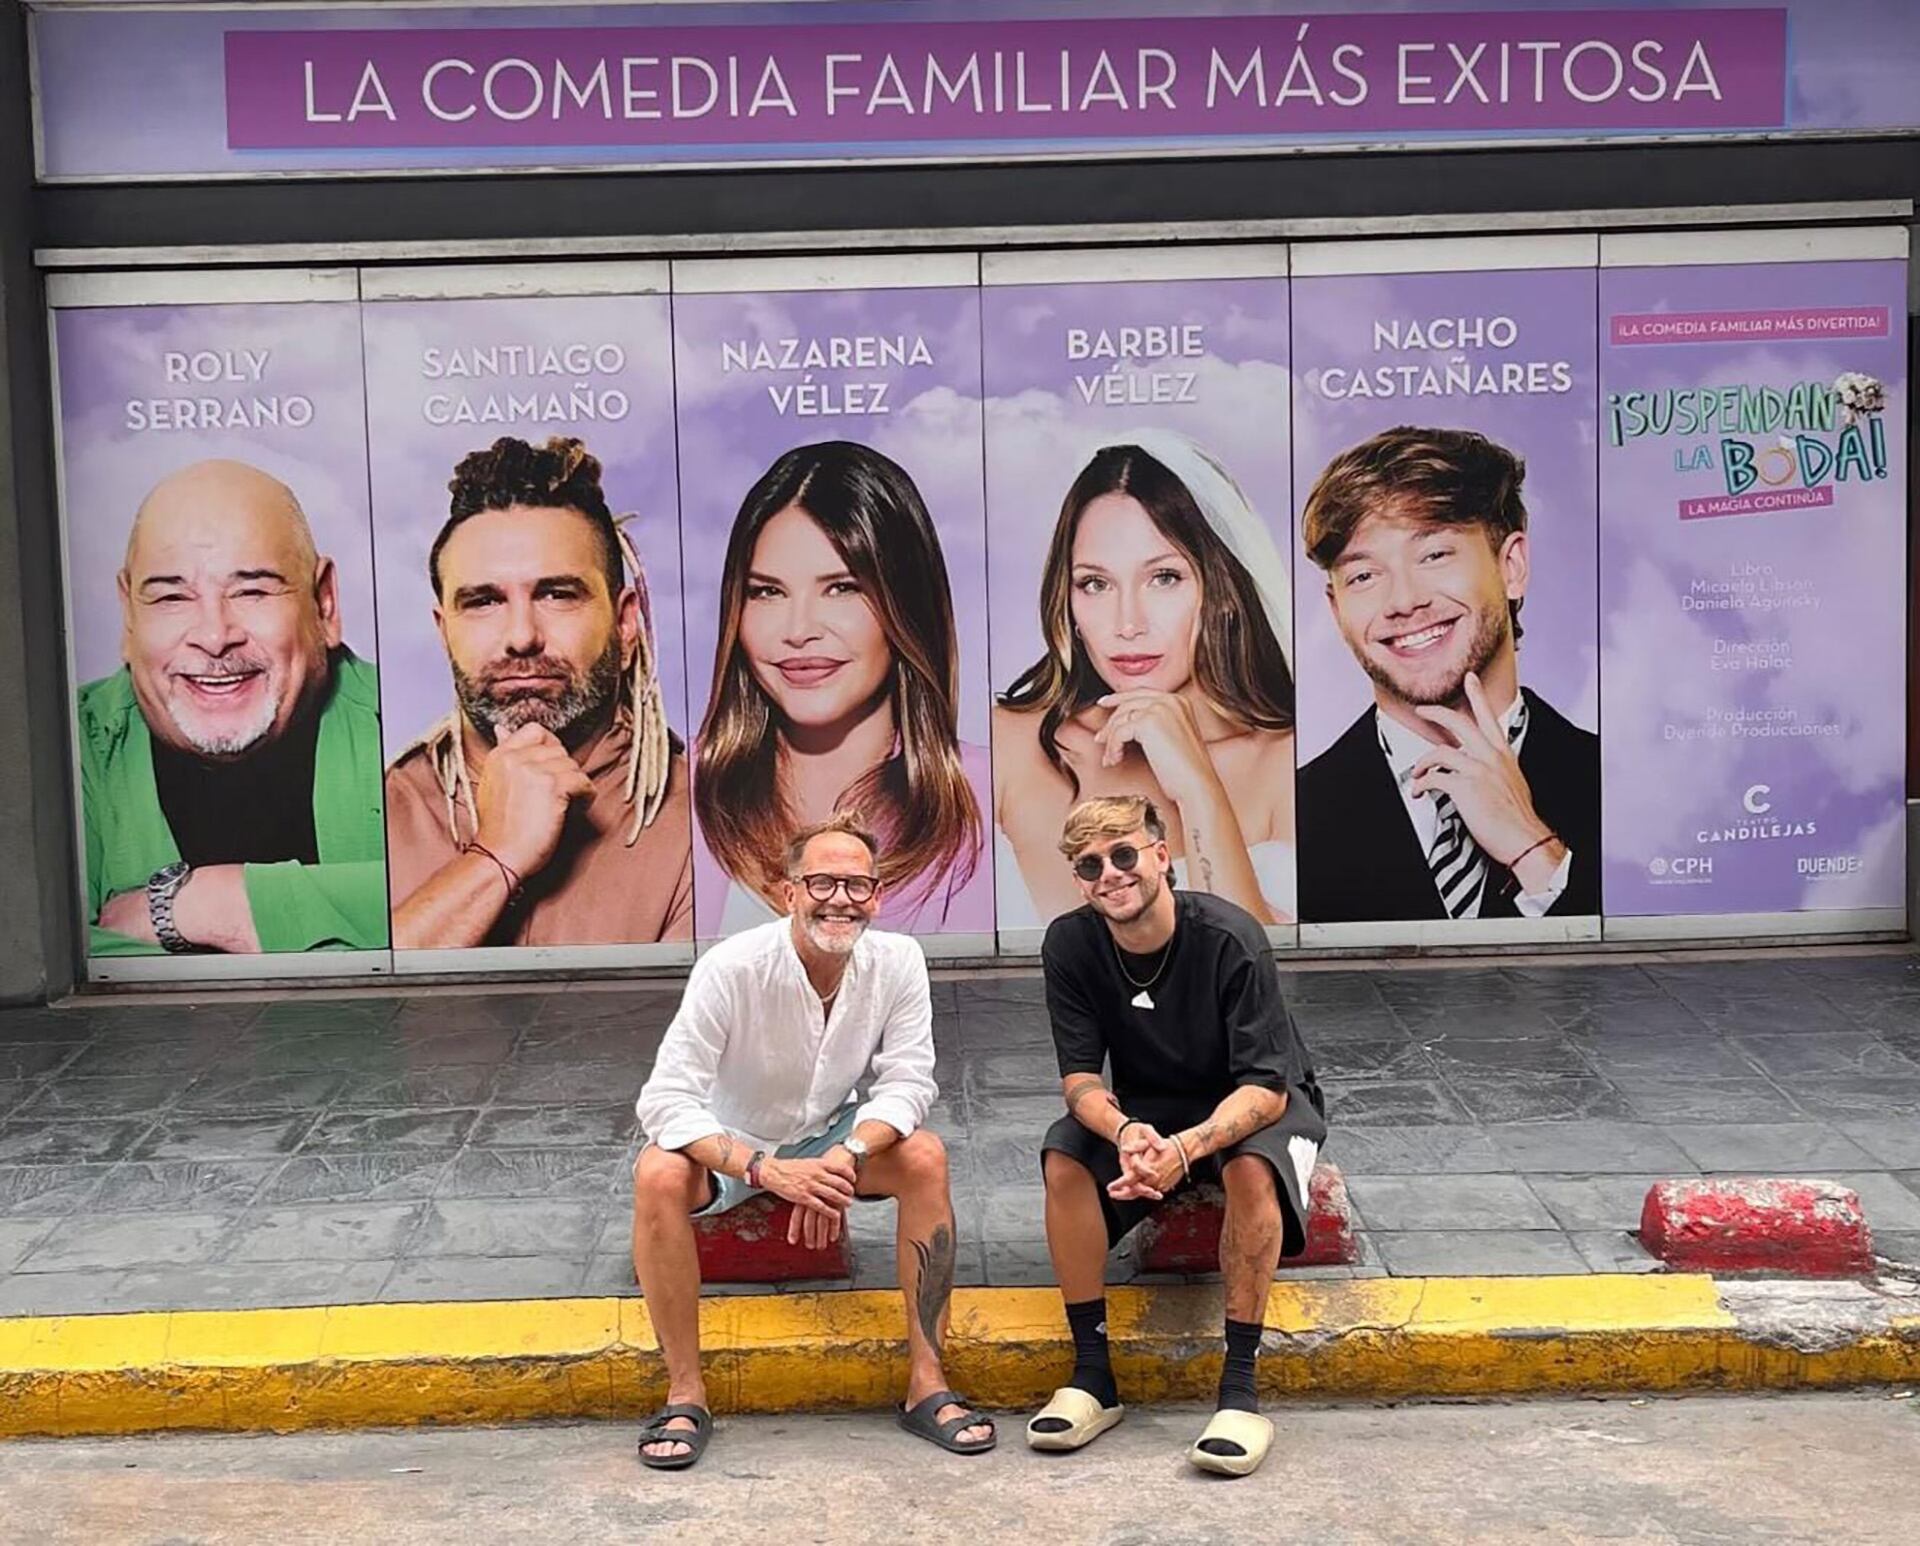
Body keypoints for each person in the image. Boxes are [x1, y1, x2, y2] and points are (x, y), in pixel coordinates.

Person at [632, 813, 994, 1468]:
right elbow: (665, 1099)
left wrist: (845, 1154)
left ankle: (927, 1381)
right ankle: (686, 1392)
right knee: (656, 1173)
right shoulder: (732, 967)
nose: (841, 900)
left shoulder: (897, 960)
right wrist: (768, 1171)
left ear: (877, 897)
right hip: (732, 1144)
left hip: (830, 1135)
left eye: (858, 886)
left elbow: (910, 1082)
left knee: (924, 1157)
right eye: (822, 882)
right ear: (788, 891)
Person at [1027, 794, 1326, 1478]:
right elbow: (1078, 1081)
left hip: (1258, 1100)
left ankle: (1240, 1391)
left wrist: (1187, 1148)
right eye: (1089, 864)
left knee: (1248, 1168)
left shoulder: (1230, 936)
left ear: (1162, 857)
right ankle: (1093, 1376)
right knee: (1063, 1157)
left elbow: (1267, 1089)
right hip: (1149, 1107)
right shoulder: (1070, 943)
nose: (1110, 874)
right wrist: (1129, 1132)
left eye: (1125, 854)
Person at [384, 436, 693, 948]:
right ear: (445, 631)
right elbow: (347, 1019)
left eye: (557, 594)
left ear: (625, 622)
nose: (521, 635)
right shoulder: (379, 814)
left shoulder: (705, 826)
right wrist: (496, 857)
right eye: (484, 601)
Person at [77, 459, 386, 956]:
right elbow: (31, 954)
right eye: (172, 597)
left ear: (324, 603)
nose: (215, 636)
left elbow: (490, 902)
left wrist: (217, 904)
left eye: (253, 590)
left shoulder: (413, 726)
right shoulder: (60, 749)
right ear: (128, 616)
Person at [1296, 426, 1600, 924]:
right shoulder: (1298, 812)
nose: (1403, 601)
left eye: (1434, 555)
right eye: (1363, 576)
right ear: (1336, 609)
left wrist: (1533, 849)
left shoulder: (1615, 782)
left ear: (1512, 566)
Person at [994, 431, 1296, 928]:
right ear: (1067, 602)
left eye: (1164, 578)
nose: (1127, 623)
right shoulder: (1011, 744)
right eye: (1095, 583)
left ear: (1220, 591)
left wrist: (1198, 788)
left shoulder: (1284, 761)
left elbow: (1253, 971)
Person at [693, 440, 987, 936]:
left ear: (906, 603)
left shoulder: (989, 796)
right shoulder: (680, 795)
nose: (799, 628)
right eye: (767, 591)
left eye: (841, 587)